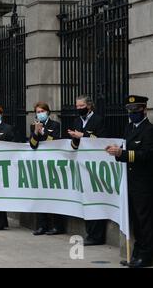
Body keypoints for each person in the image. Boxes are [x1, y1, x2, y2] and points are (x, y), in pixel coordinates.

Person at [106, 95, 153, 268]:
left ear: (144, 110)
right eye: (129, 111)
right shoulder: (128, 128)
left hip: (143, 184)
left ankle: (146, 256)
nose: (132, 114)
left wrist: (122, 154)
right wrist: (115, 152)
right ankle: (136, 253)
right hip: (130, 183)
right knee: (134, 220)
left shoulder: (149, 130)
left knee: (144, 221)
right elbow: (124, 151)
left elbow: (147, 155)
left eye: (135, 110)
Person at [68, 95, 107, 246]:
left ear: (89, 106)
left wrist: (82, 135)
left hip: (96, 164)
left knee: (95, 199)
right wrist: (74, 138)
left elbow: (102, 139)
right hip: (82, 164)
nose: (79, 109)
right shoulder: (77, 121)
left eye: (81, 106)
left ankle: (97, 235)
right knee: (86, 199)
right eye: (77, 106)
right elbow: (75, 145)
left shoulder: (98, 120)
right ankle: (90, 233)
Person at [29, 102, 65, 236]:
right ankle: (41, 225)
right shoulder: (34, 126)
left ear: (48, 112)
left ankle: (57, 225)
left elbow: (54, 141)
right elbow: (33, 144)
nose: (40, 114)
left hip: (52, 163)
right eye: (38, 111)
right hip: (39, 164)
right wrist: (36, 133)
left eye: (42, 111)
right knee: (40, 195)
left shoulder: (55, 125)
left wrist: (43, 133)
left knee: (54, 195)